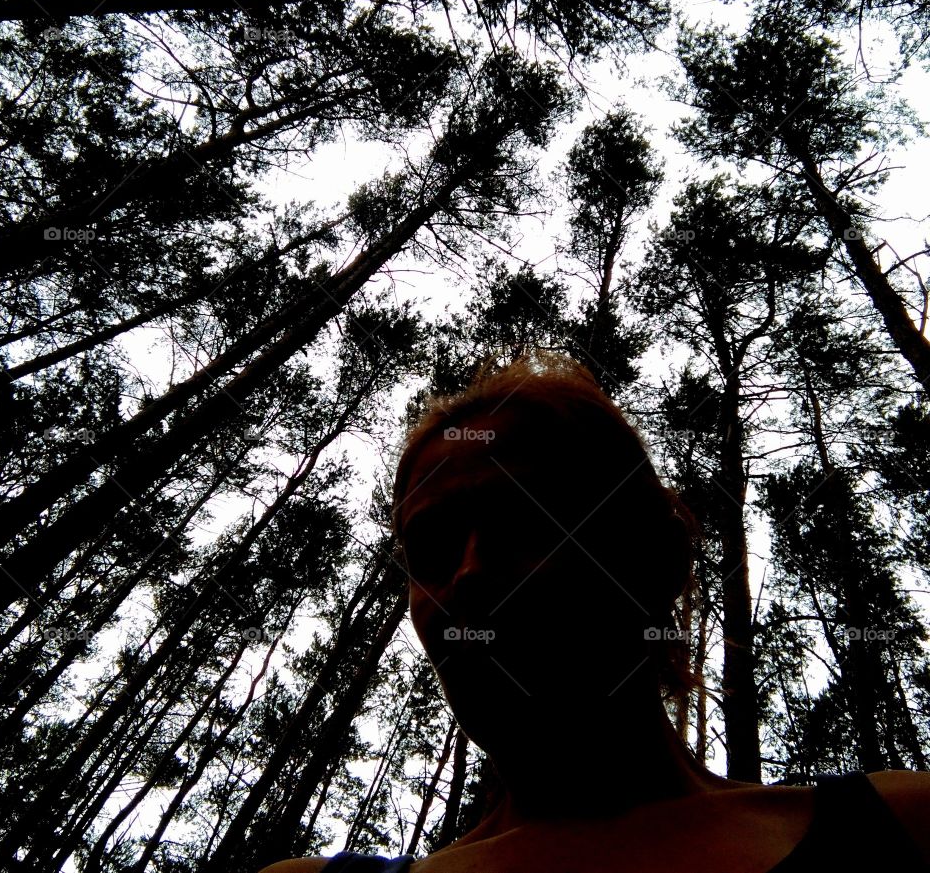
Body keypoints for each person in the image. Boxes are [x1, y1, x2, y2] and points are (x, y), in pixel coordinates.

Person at [262, 355, 930, 872]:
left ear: (656, 557)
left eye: (527, 520)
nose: (467, 574)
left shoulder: (903, 827)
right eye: (430, 549)